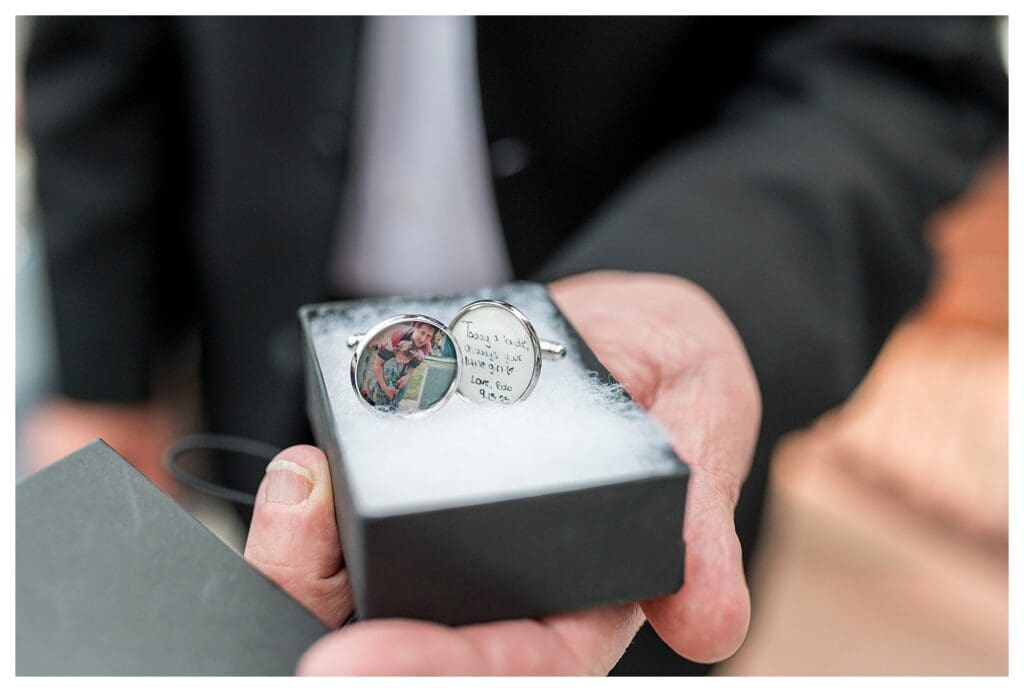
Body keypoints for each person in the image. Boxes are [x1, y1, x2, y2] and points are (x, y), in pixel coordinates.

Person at [21, 16, 1007, 675]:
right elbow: (100, 44)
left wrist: (693, 282)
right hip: (279, 365)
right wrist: (101, 376)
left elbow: (893, 63)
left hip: (618, 388)